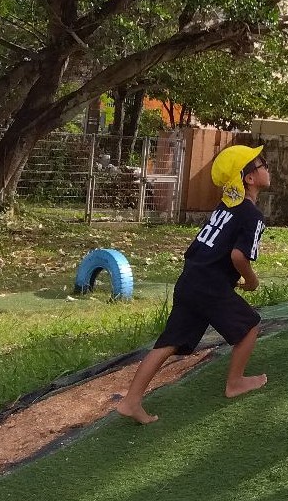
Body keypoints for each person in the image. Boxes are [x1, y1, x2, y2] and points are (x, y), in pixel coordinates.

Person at [116, 144, 270, 423]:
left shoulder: (225, 207)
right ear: (249, 178)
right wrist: (252, 280)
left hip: (190, 278)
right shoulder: (251, 215)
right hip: (210, 284)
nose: (267, 168)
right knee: (250, 326)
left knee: (169, 341)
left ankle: (131, 400)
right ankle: (234, 383)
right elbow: (238, 255)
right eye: (262, 165)